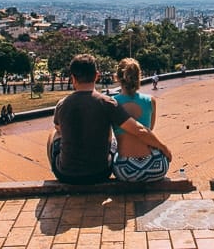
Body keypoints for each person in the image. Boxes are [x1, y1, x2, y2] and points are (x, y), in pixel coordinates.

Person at [47, 54, 172, 184]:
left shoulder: (62, 104)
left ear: (73, 78)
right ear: (96, 76)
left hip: (66, 175)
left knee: (54, 133)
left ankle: (57, 167)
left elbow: (60, 129)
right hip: (100, 173)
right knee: (111, 139)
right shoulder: (107, 103)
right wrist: (164, 148)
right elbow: (139, 130)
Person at [112, 58, 170, 182]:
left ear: (117, 77)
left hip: (125, 170)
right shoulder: (150, 100)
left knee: (113, 145)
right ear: (139, 77)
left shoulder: (112, 102)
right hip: (155, 168)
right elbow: (149, 129)